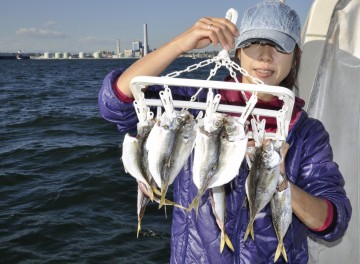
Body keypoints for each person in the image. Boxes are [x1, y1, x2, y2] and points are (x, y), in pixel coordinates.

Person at [98, 1, 352, 263]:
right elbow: (115, 104)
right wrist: (180, 44)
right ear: (238, 51)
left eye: (279, 45)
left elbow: (333, 223)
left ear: (295, 57)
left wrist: (278, 180)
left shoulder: (305, 132)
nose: (265, 55)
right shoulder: (195, 105)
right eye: (254, 43)